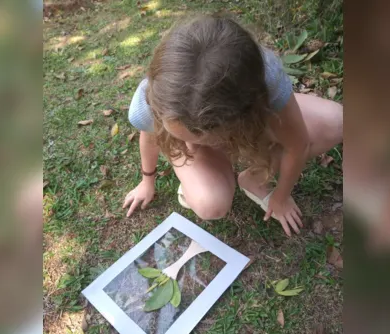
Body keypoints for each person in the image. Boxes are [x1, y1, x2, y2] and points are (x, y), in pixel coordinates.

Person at [121, 14, 343, 237]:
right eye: (184, 134)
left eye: (205, 137)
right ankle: (199, 173)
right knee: (210, 203)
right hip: (230, 126)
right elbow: (149, 136)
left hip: (247, 120)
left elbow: (298, 143)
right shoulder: (150, 102)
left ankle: (253, 179)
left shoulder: (266, 77)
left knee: (336, 121)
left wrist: (281, 196)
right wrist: (147, 181)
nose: (200, 140)